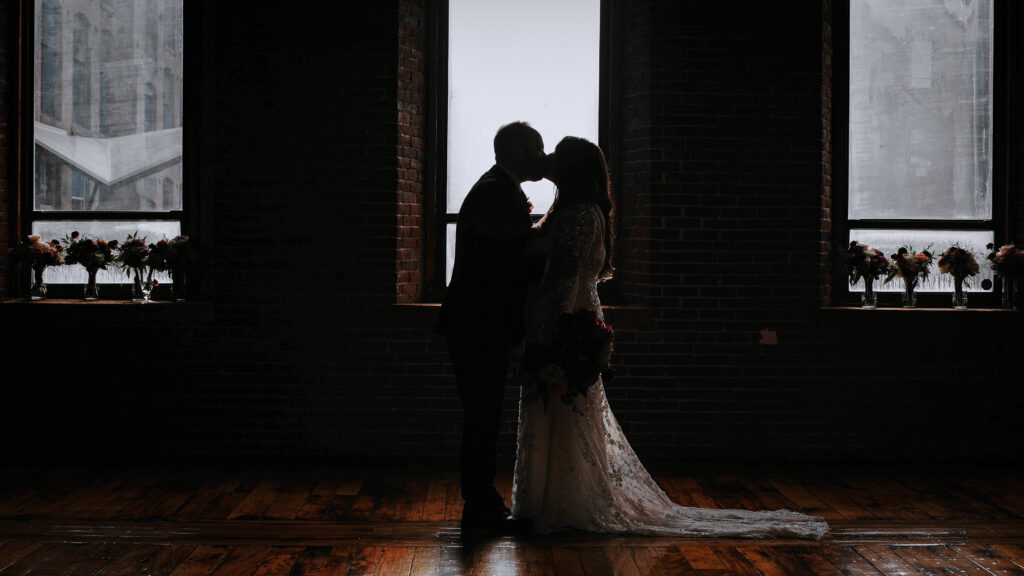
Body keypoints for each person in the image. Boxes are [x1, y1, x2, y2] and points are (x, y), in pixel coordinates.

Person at [511, 136, 829, 539]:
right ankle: (553, 499)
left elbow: (568, 276)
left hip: (566, 319)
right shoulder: (576, 211)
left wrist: (549, 331)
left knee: (562, 405)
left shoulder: (578, 214)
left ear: (571, 168)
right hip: (573, 315)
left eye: (559, 154)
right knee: (562, 409)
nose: (551, 159)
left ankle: (561, 502)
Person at [434, 121, 548, 532]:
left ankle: (482, 503)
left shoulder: (497, 188)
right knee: (482, 416)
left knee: (484, 415)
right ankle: (479, 508)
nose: (543, 155)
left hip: (477, 323)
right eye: (537, 148)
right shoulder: (496, 194)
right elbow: (506, 265)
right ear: (517, 152)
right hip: (479, 324)